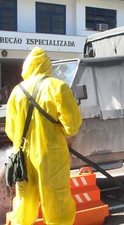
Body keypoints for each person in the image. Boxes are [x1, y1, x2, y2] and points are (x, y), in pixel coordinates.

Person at [5, 47, 82, 225]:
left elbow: (10, 130)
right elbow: (73, 126)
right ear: (47, 65)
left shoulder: (17, 92)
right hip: (51, 157)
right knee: (57, 204)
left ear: (28, 67)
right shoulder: (58, 87)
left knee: (23, 204)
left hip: (22, 159)